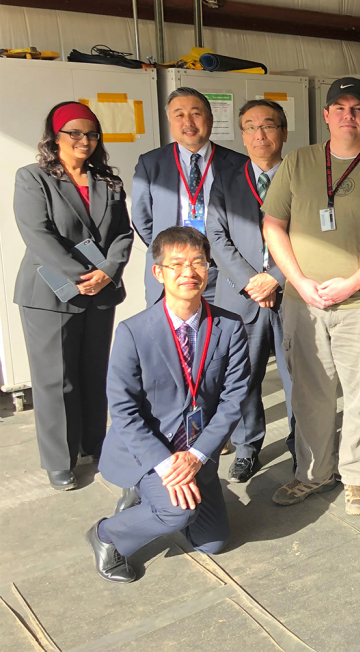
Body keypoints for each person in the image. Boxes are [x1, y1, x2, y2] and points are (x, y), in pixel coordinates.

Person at [262, 77, 360, 515]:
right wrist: (299, 283)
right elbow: (273, 225)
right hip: (304, 304)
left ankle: (358, 477)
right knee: (310, 393)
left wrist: (351, 284)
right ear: (325, 116)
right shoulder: (298, 163)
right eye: (339, 108)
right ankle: (313, 473)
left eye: (357, 108)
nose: (348, 116)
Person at [88, 226, 249, 584]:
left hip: (196, 451)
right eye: (176, 264)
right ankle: (107, 534)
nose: (188, 273)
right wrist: (164, 465)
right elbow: (124, 410)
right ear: (158, 272)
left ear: (209, 269)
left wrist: (196, 456)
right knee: (177, 514)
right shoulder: (133, 331)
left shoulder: (230, 326)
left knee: (213, 542)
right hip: (149, 452)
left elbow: (234, 397)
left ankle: (155, 503)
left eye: (198, 263)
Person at [14, 101, 134, 491]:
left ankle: (93, 444)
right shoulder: (33, 178)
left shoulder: (108, 182)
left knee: (91, 372)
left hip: (99, 291)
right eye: (75, 133)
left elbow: (122, 234)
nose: (85, 140)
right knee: (56, 379)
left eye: (92, 134)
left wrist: (107, 272)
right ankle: (59, 460)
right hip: (50, 292)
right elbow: (38, 234)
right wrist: (84, 274)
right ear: (56, 136)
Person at [207, 99, 295, 483]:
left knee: (300, 377)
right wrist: (250, 280)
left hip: (293, 293)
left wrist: (275, 276)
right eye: (250, 127)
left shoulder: (300, 176)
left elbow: (310, 234)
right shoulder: (226, 178)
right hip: (241, 298)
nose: (260, 135)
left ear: (284, 132)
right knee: (242, 378)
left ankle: (303, 446)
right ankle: (247, 447)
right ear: (242, 135)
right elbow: (215, 234)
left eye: (268, 126)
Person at [132, 87, 248, 306]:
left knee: (223, 334)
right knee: (174, 338)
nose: (188, 122)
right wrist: (173, 253)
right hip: (173, 273)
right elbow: (142, 219)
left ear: (210, 119)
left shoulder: (239, 164)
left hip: (222, 271)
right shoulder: (150, 163)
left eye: (196, 113)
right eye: (179, 115)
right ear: (170, 121)